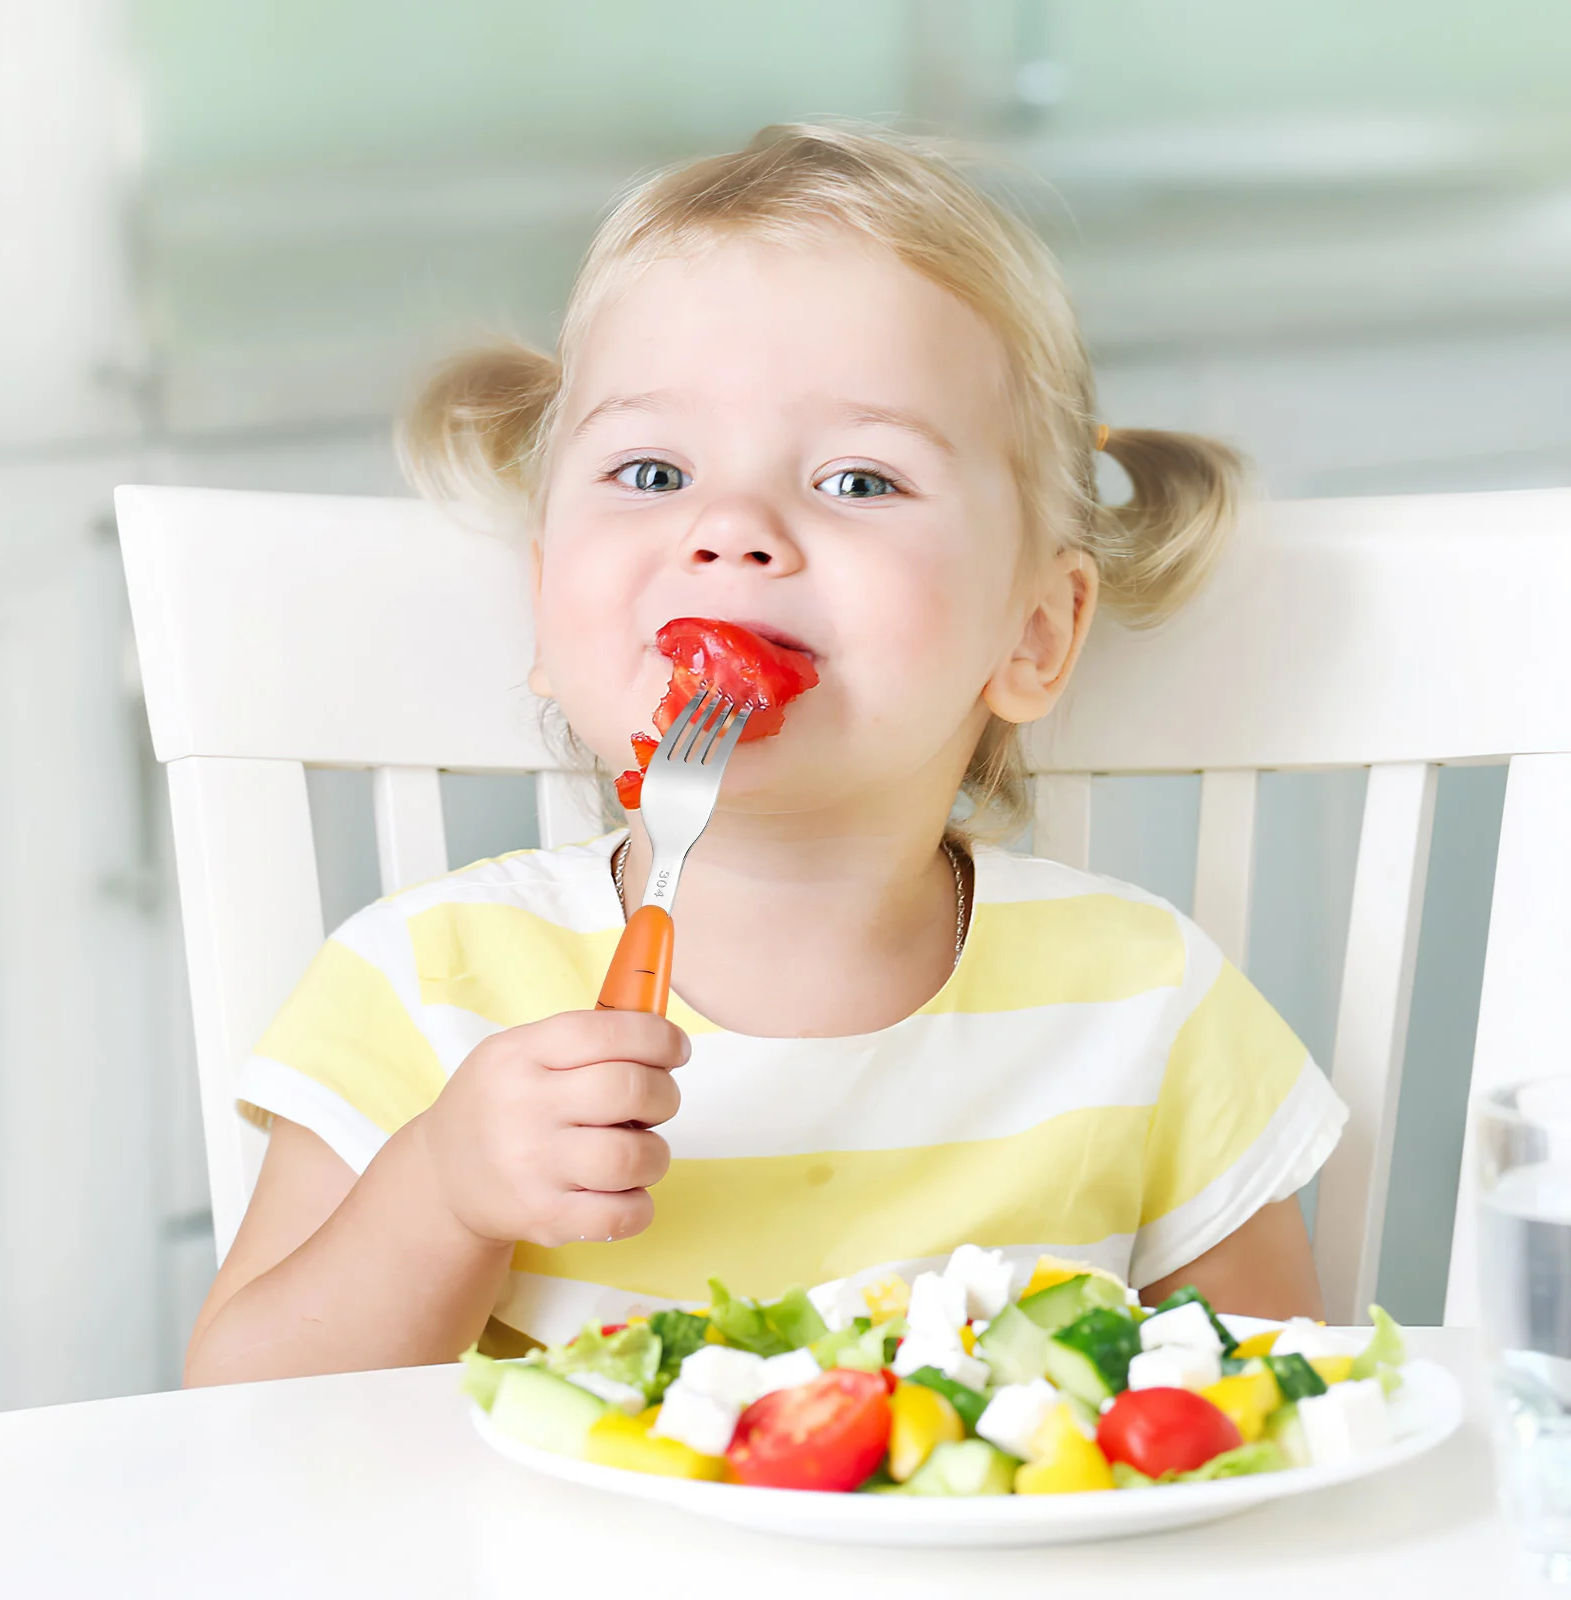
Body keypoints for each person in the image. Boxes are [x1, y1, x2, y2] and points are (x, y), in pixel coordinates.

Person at [184, 123, 1344, 1386]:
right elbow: (242, 1415)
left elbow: (1281, 1414)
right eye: (652, 468)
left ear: (1035, 631)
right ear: (543, 606)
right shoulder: (427, 986)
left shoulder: (1144, 1001)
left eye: (857, 480)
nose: (730, 527)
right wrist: (441, 1194)